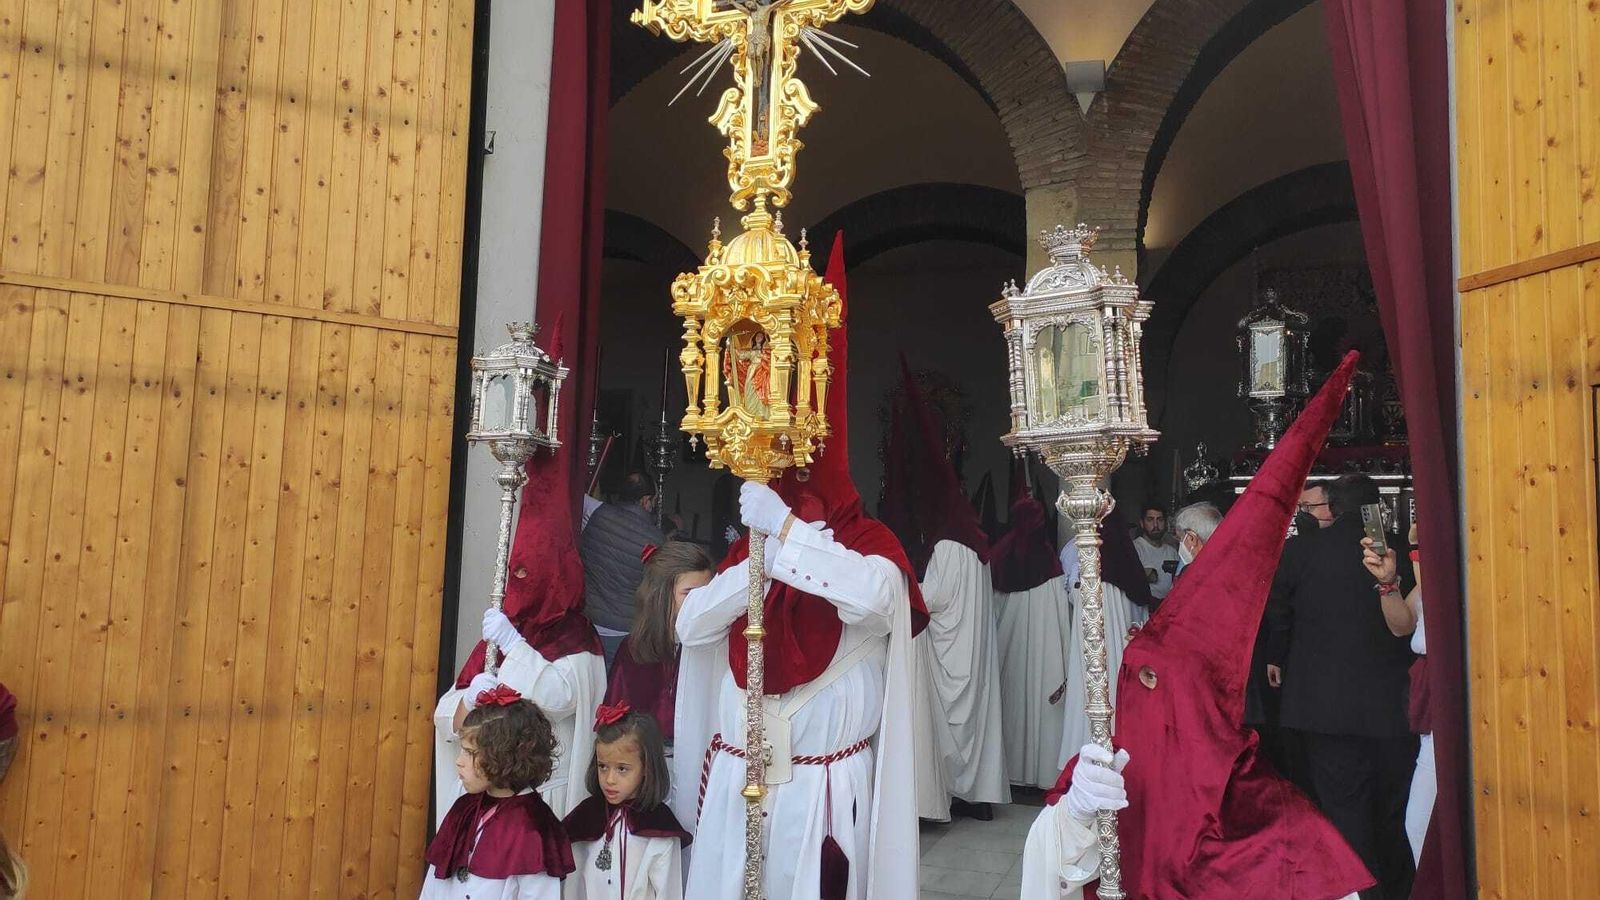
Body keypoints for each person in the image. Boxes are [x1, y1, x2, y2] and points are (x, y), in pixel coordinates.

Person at [1023, 352, 1372, 899]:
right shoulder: (1111, 780)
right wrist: (1073, 811)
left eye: (1155, 688)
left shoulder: (1282, 829)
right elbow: (1048, 865)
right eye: (1134, 680)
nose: (1140, 706)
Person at [673, 235, 926, 900]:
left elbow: (874, 599)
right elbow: (692, 627)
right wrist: (762, 555)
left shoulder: (867, 543)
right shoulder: (748, 548)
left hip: (821, 786)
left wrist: (789, 536)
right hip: (738, 783)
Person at [436, 423, 608, 820]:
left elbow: (559, 698)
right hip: (485, 793)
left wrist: (516, 648)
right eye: (517, 576)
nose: (522, 588)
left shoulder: (574, 637)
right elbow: (447, 716)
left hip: (543, 794)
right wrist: (468, 700)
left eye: (531, 577)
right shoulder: (504, 624)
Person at [1267, 472, 1416, 900]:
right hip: (1392, 705)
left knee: (1345, 808)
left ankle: (1361, 892)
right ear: (1378, 507)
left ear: (1333, 507)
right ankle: (1402, 889)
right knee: (1394, 808)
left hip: (1324, 704)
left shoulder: (1300, 550)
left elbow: (1278, 610)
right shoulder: (1398, 551)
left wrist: (1276, 657)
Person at [882, 360, 1008, 821]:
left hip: (948, 653)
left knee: (946, 729)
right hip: (970, 649)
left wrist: (899, 581)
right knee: (973, 727)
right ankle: (976, 796)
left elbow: (931, 599)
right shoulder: (974, 544)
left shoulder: (948, 548)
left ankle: (949, 796)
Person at [422, 690, 574, 899]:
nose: (459, 761)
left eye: (469, 752)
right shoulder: (463, 808)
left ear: (503, 756)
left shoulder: (533, 827)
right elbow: (434, 885)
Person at [992, 468, 1072, 789]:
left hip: (1005, 653)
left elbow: (992, 607)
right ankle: (1041, 776)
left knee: (1010, 705)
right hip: (1045, 658)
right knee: (1041, 713)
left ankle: (1009, 775)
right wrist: (1065, 659)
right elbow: (1059, 617)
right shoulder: (1049, 561)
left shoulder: (999, 557)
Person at [1056, 512, 1153, 770]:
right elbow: (1139, 606)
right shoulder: (1124, 569)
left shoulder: (1083, 564)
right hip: (1112, 650)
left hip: (1093, 652)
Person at [564, 705, 690, 900]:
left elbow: (668, 891)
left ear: (646, 767)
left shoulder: (659, 826)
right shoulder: (585, 818)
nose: (610, 779)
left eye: (622, 769)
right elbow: (572, 886)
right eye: (603, 766)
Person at [1361, 523, 1431, 866]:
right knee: (1417, 822)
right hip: (1432, 711)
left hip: (1464, 702)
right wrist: (1387, 583)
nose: (1414, 531)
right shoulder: (1427, 582)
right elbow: (1401, 625)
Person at [604, 542, 714, 747]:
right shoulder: (633, 650)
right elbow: (617, 719)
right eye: (689, 593)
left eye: (707, 594)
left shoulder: (713, 646)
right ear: (662, 595)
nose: (700, 602)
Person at [582, 472, 667, 665]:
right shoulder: (656, 540)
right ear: (646, 500)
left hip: (588, 620)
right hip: (624, 628)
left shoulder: (596, 513)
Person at [1132, 504, 1181, 601]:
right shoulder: (1135, 549)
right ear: (1142, 523)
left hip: (1169, 607)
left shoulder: (1172, 551)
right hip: (1146, 609)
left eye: (1160, 520)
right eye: (1150, 520)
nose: (1155, 525)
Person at [1170, 501, 1221, 576]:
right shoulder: (1230, 564)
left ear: (1191, 538)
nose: (1180, 545)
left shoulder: (1192, 576)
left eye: (1180, 539)